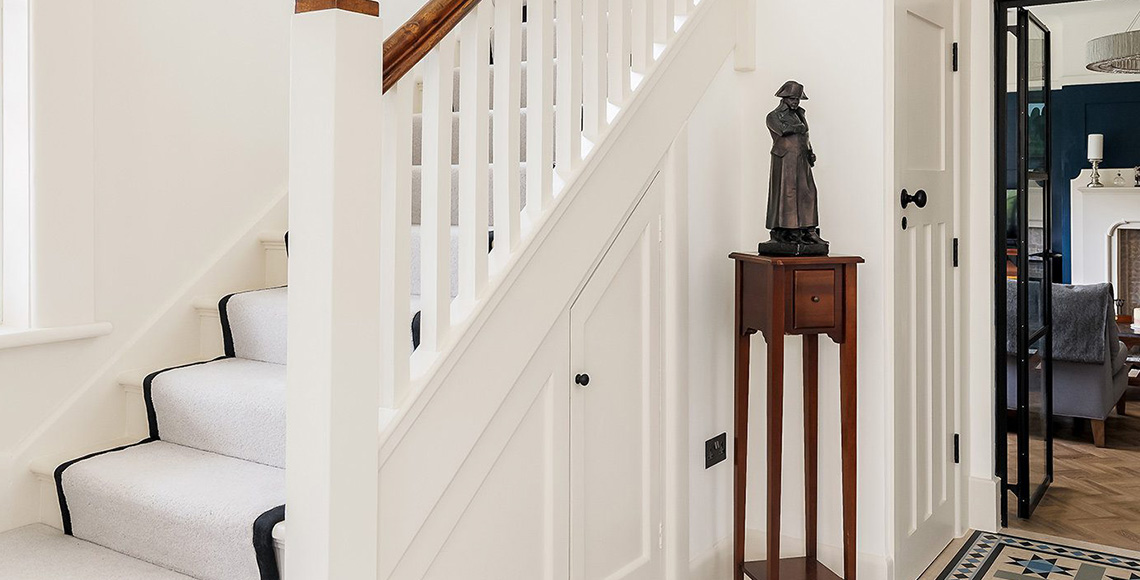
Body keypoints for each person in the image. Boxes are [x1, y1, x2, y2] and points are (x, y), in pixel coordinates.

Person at [765, 81, 827, 247]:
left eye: (797, 99)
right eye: (792, 99)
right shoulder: (773, 116)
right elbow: (783, 130)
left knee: (808, 192)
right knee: (788, 195)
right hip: (785, 160)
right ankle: (790, 231)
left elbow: (804, 135)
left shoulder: (800, 114)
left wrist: (809, 150)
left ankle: (810, 231)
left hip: (801, 158)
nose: (795, 102)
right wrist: (797, 127)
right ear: (784, 98)